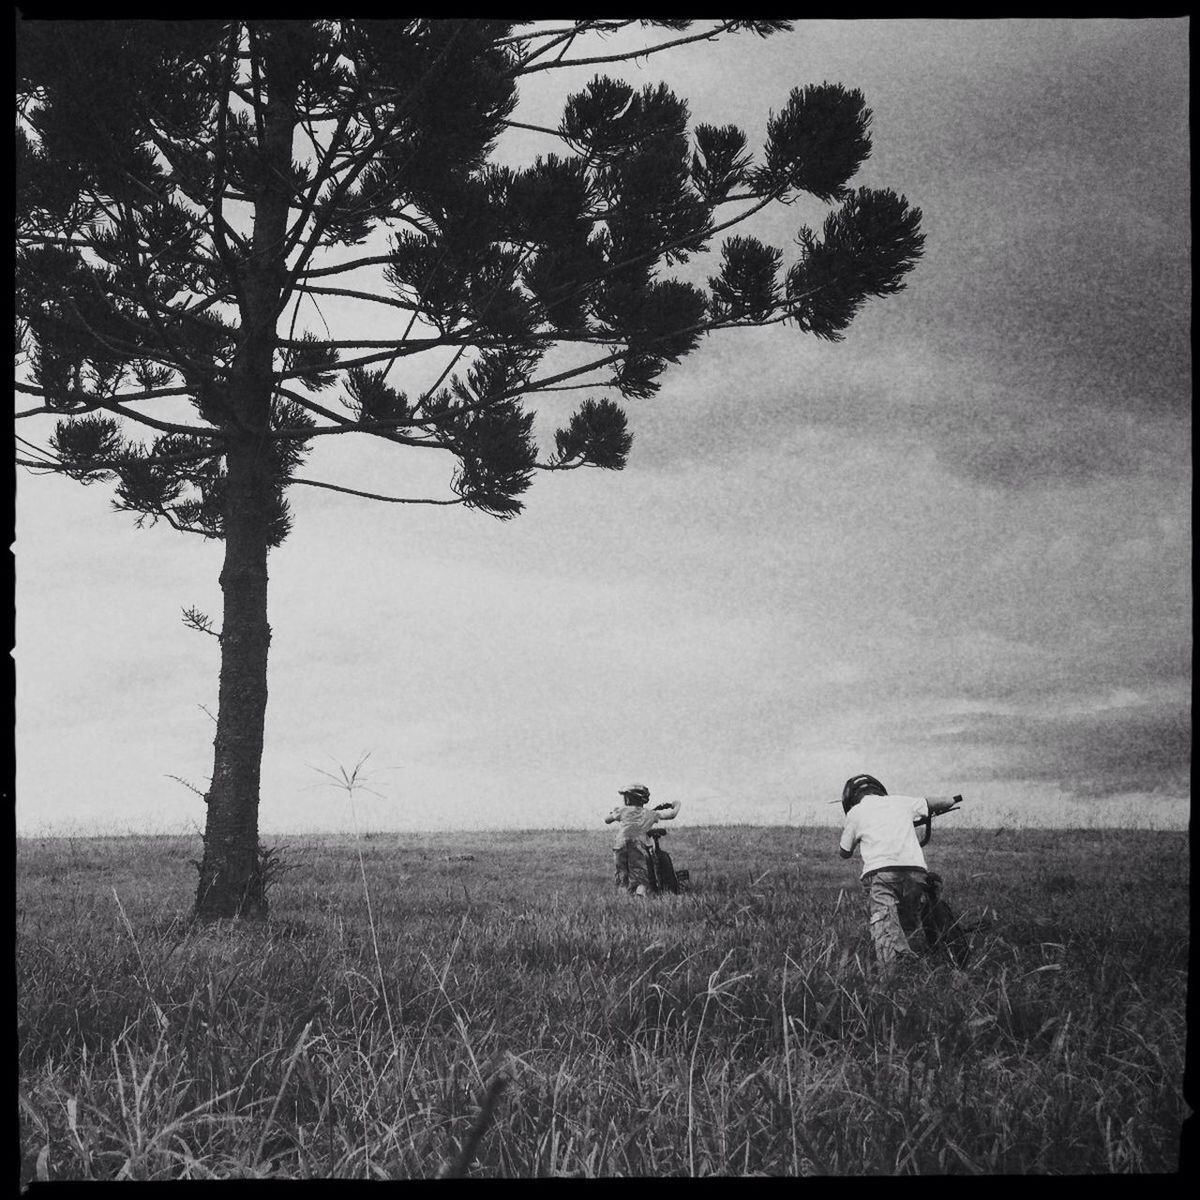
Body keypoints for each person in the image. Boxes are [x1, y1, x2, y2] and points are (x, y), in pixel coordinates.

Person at [837, 773, 960, 966]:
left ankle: (893, 968)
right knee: (907, 920)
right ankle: (917, 953)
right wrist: (952, 799)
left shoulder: (855, 813)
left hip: (881, 872)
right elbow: (941, 801)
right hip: (916, 871)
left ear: (850, 799)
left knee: (883, 919)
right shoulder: (901, 802)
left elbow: (844, 852)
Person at [605, 784, 680, 896]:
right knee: (640, 876)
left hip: (620, 844)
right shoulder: (650, 813)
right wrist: (677, 804)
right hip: (638, 845)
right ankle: (640, 899)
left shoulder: (622, 810)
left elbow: (607, 820)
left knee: (622, 875)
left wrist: (613, 813)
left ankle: (623, 900)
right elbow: (672, 815)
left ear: (628, 798)